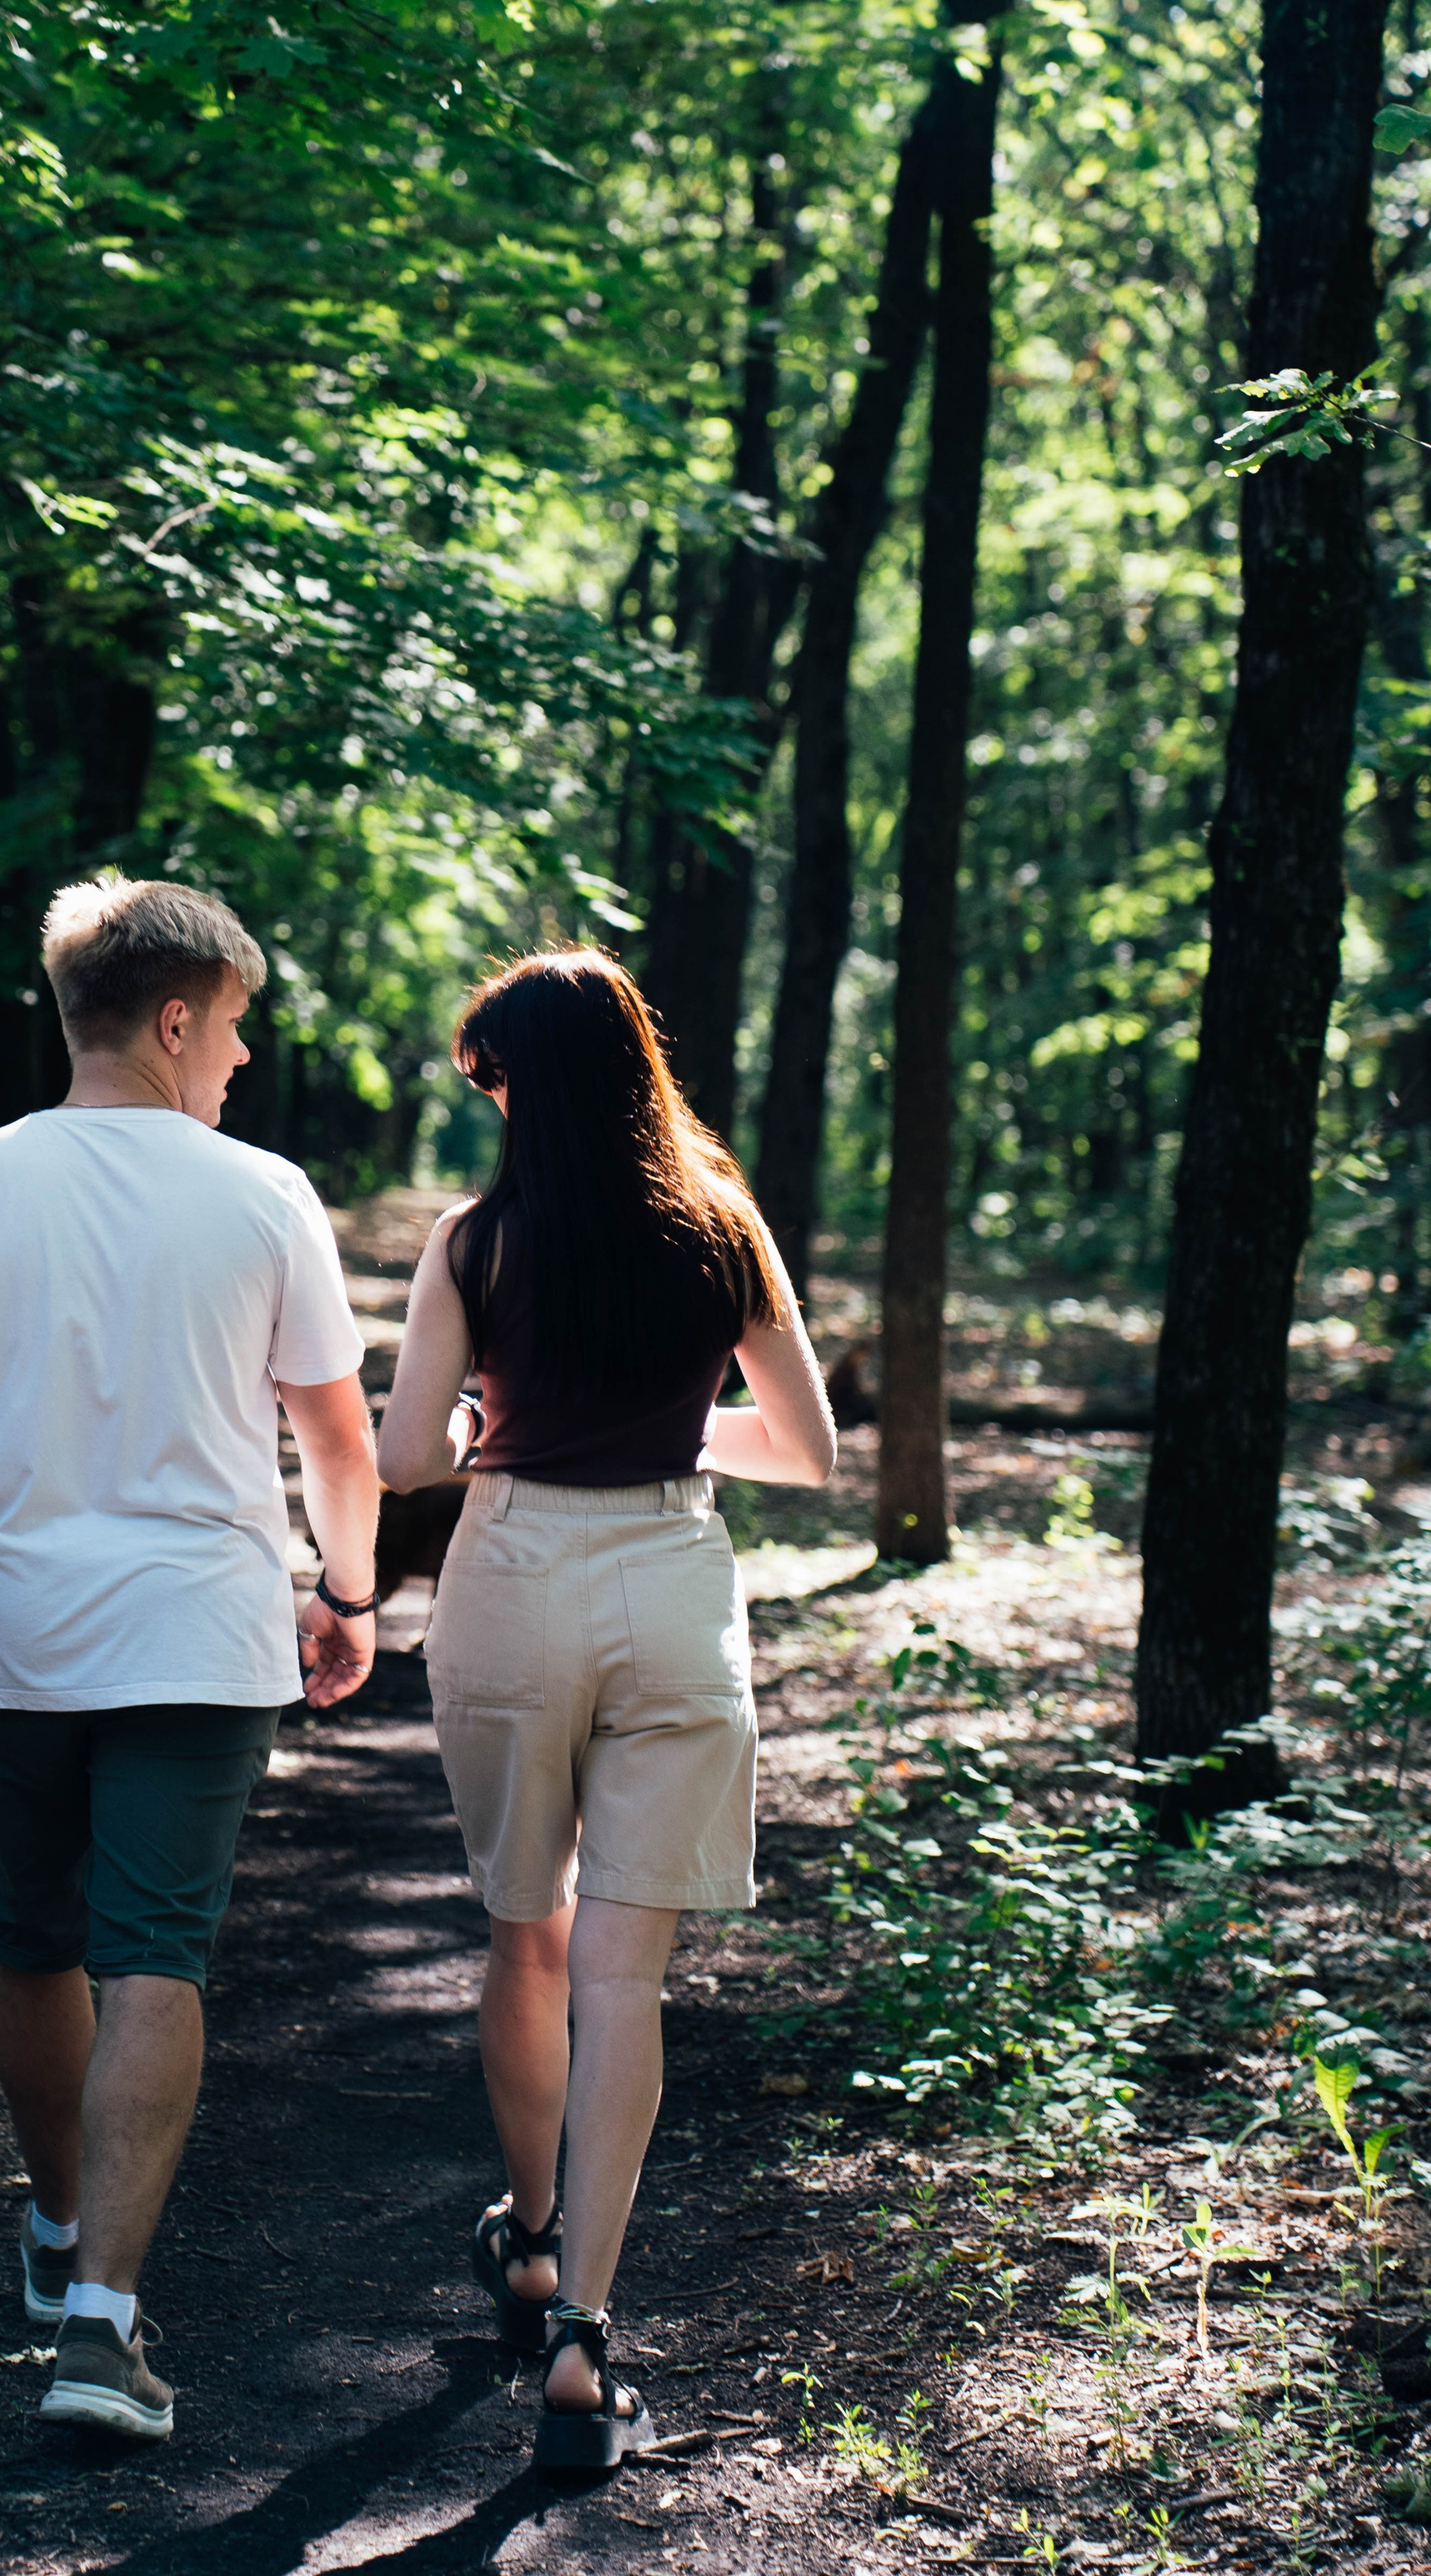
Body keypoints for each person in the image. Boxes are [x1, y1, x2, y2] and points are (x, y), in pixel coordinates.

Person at [0, 875, 381, 2446]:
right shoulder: (265, 1194)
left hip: (14, 1630)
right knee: (157, 1953)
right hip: (200, 1634)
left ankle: (65, 2226)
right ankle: (101, 2319)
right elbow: (335, 1433)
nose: (241, 1060)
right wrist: (347, 1591)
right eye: (232, 1027)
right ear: (169, 1015)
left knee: (33, 1943)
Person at [377, 949, 834, 2472]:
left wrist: (483, 1409)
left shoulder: (474, 1237)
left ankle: (523, 2238)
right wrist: (670, 1421)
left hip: (515, 1571)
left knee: (527, 1930)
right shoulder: (722, 1229)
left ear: (522, 1084)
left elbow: (401, 1456)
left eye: (490, 1078)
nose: (488, 1102)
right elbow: (810, 1447)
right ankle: (582, 2337)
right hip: (671, 1577)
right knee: (625, 1976)